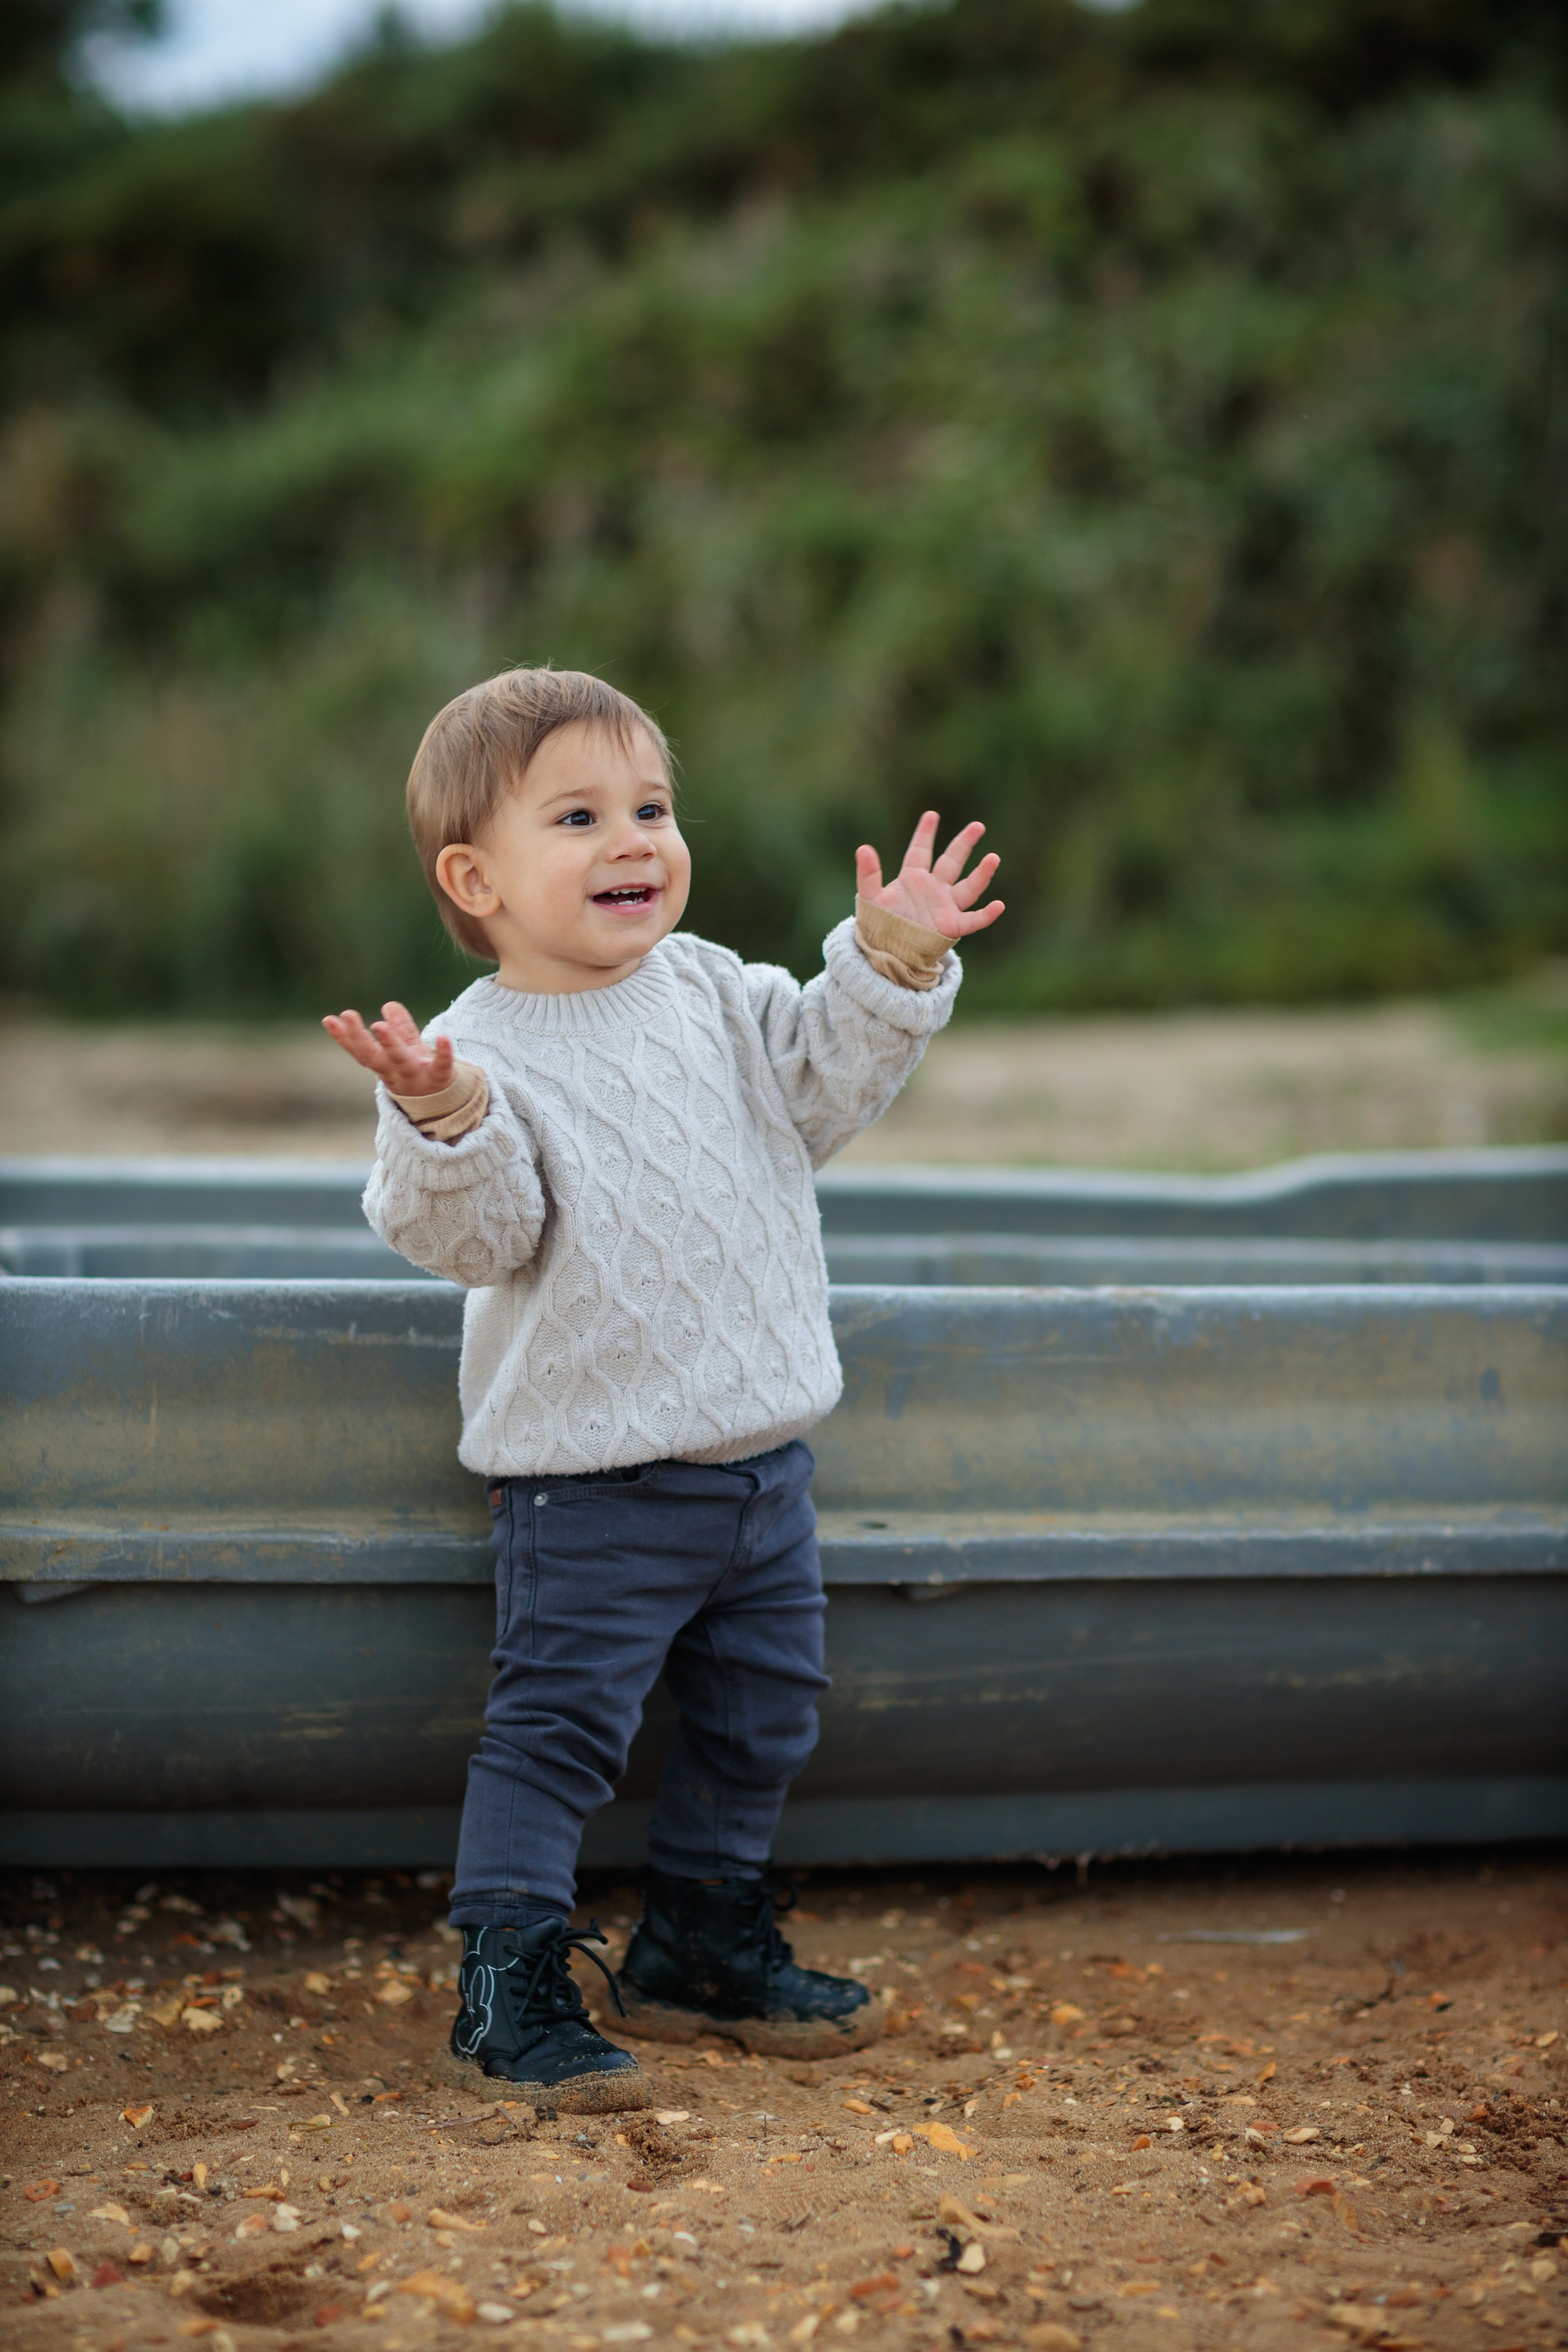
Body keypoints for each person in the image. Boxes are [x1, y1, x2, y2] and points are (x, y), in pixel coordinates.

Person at [323, 666, 1003, 2112]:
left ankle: (698, 1940)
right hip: (591, 1489)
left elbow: (820, 1089)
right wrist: (441, 1120)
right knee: (558, 1733)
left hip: (763, 1470)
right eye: (579, 816)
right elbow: (477, 1237)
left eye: (652, 806)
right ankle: (507, 1982)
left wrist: (883, 968)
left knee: (763, 1717)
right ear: (476, 877)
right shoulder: (475, 1051)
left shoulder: (715, 990)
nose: (633, 839)